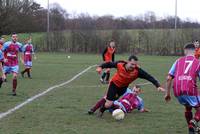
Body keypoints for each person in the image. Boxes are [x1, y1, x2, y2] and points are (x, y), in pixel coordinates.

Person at [93, 55, 165, 116]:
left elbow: (149, 77)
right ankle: (101, 110)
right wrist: (100, 67)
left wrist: (158, 86)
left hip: (123, 88)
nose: (133, 66)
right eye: (132, 64)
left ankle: (104, 108)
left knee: (110, 102)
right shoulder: (120, 64)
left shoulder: (137, 71)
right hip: (114, 84)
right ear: (128, 62)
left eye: (135, 64)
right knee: (109, 104)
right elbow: (109, 64)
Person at [165, 43, 200, 134]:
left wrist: (167, 94)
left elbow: (168, 78)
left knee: (188, 108)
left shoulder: (178, 61)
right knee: (198, 109)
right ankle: (193, 123)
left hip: (177, 91)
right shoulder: (198, 62)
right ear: (195, 51)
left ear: (185, 51)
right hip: (190, 89)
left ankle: (191, 130)